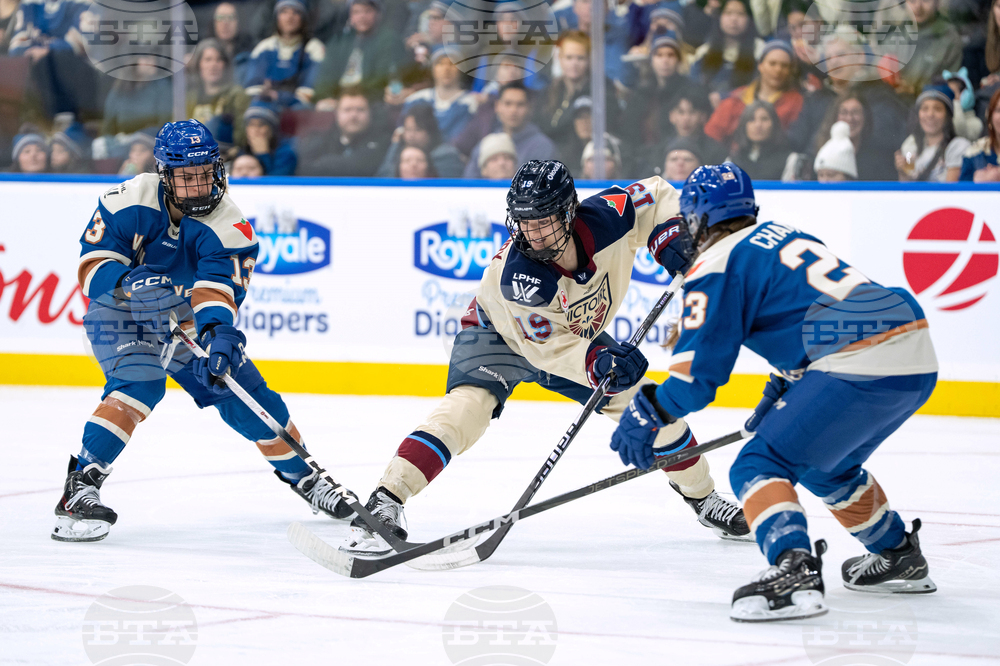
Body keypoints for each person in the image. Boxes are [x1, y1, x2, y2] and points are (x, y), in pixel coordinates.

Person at [343, 159, 751, 555]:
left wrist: (669, 235)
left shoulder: (606, 216)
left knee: (649, 406)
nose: (532, 235)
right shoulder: (519, 277)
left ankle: (705, 499)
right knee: (466, 409)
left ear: (569, 212)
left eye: (542, 222)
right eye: (523, 222)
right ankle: (385, 500)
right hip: (498, 335)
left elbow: (657, 193)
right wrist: (598, 362)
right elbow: (550, 351)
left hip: (573, 337)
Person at [609, 163, 938, 622]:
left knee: (757, 463)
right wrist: (780, 390)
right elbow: (809, 320)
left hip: (857, 361)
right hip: (912, 346)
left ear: (697, 220)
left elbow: (695, 380)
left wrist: (649, 410)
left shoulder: (716, 263)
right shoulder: (783, 235)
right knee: (827, 465)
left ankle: (794, 569)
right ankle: (897, 553)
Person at [53, 119, 358, 543]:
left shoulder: (229, 224)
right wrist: (126, 283)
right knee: (139, 383)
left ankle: (306, 478)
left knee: (247, 394)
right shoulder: (126, 200)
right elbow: (92, 268)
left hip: (183, 319)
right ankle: (80, 486)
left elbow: (217, 290)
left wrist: (219, 336)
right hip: (118, 312)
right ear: (164, 176)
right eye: (185, 176)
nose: (198, 185)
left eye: (205, 173)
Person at [704, 40, 802, 149]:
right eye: (772, 63)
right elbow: (712, 135)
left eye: (784, 66)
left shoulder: (796, 101)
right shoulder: (737, 97)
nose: (778, 70)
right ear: (760, 65)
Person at [313, 0, 406, 104]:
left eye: (368, 11)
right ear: (350, 16)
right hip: (337, 100)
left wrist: (348, 96)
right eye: (356, 12)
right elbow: (325, 76)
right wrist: (325, 96)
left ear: (378, 14)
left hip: (370, 100)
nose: (362, 16)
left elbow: (383, 79)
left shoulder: (389, 40)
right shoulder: (339, 41)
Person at [462, 82, 559, 179]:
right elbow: (469, 184)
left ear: (530, 108)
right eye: (508, 104)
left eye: (520, 104)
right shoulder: (486, 144)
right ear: (497, 106)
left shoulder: (543, 147)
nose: (513, 110)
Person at [243, 0, 325, 108]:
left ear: (303, 18)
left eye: (296, 12)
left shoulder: (314, 48)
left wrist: (279, 96)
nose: (289, 17)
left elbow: (308, 93)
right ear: (277, 17)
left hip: (297, 111)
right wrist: (265, 95)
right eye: (284, 12)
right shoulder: (264, 47)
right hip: (265, 108)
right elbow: (251, 89)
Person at [296, 89, 389, 176]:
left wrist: (324, 163)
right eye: (347, 110)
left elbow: (364, 168)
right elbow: (305, 168)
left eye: (360, 110)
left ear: (370, 114)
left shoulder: (383, 140)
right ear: (336, 114)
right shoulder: (322, 139)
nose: (353, 116)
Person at [689, 0, 762, 105]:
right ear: (719, 17)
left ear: (749, 18)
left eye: (740, 14)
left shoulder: (760, 50)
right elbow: (693, 87)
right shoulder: (705, 51)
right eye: (728, 13)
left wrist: (725, 97)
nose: (734, 19)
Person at [896, 83, 970, 183]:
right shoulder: (910, 144)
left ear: (948, 116)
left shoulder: (958, 146)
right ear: (918, 115)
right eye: (925, 108)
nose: (930, 115)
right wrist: (903, 172)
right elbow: (906, 189)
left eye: (938, 109)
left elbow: (951, 193)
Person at [186, 39, 251, 148]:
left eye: (219, 60)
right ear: (198, 65)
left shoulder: (237, 95)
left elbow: (242, 138)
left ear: (225, 65)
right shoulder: (190, 97)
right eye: (208, 60)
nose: (213, 65)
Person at [376, 104, 464, 178]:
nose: (411, 135)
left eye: (418, 130)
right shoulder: (399, 150)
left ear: (430, 132)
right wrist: (394, 146)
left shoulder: (447, 155)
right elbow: (383, 177)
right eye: (407, 129)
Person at [726, 101, 791, 180]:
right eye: (751, 119)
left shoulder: (789, 161)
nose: (758, 125)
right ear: (744, 125)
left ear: (774, 124)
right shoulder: (731, 162)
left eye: (764, 119)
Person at [240, 100, 297, 176]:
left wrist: (263, 155)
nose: (255, 130)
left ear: (272, 129)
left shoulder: (285, 153)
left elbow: (276, 184)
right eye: (251, 125)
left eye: (261, 125)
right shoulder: (243, 151)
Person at [960, 88, 1000, 182]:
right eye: (999, 110)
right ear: (990, 118)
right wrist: (977, 186)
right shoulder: (975, 153)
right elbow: (962, 192)